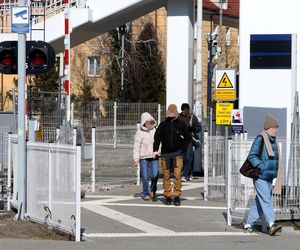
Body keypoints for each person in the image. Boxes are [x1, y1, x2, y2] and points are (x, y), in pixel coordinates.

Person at [244, 114, 282, 236]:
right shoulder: (260, 138)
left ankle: (248, 224)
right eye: (276, 127)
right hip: (260, 175)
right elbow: (252, 156)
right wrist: (262, 166)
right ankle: (272, 224)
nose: (277, 129)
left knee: (260, 202)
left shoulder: (274, 141)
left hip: (269, 176)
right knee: (266, 199)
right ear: (270, 127)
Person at [153, 104, 190, 206]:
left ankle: (177, 195)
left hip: (177, 153)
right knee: (166, 175)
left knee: (177, 175)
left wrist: (183, 148)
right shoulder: (163, 124)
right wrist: (155, 150)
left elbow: (188, 137)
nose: (171, 116)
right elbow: (157, 138)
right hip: (165, 154)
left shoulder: (181, 124)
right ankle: (168, 195)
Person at [133, 112, 159, 201]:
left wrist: (159, 152)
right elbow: (136, 146)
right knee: (144, 176)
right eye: (148, 122)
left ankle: (153, 190)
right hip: (143, 157)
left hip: (154, 156)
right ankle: (145, 193)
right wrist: (136, 158)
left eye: (151, 122)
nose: (150, 124)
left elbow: (159, 142)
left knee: (155, 175)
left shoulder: (155, 130)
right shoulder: (139, 132)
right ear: (144, 122)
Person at [178, 103, 201, 182]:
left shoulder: (192, 117)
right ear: (182, 110)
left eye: (187, 110)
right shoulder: (179, 118)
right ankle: (188, 173)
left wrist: (193, 128)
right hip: (181, 140)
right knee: (183, 158)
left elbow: (198, 127)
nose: (186, 112)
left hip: (190, 140)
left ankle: (185, 175)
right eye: (184, 110)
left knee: (189, 158)